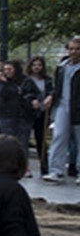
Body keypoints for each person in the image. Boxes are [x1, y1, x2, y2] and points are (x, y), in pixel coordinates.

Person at [43, 37, 80, 183]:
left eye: (77, 49)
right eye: (71, 49)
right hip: (62, 105)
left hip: (78, 107)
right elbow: (56, 87)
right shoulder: (61, 67)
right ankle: (56, 171)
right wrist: (51, 96)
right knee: (59, 137)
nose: (74, 52)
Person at [26, 56, 53, 176]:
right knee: (24, 138)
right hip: (28, 112)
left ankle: (44, 165)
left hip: (42, 112)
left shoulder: (47, 80)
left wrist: (49, 98)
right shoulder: (26, 80)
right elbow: (24, 94)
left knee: (41, 139)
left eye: (39, 65)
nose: (37, 67)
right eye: (34, 65)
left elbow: (52, 91)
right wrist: (31, 100)